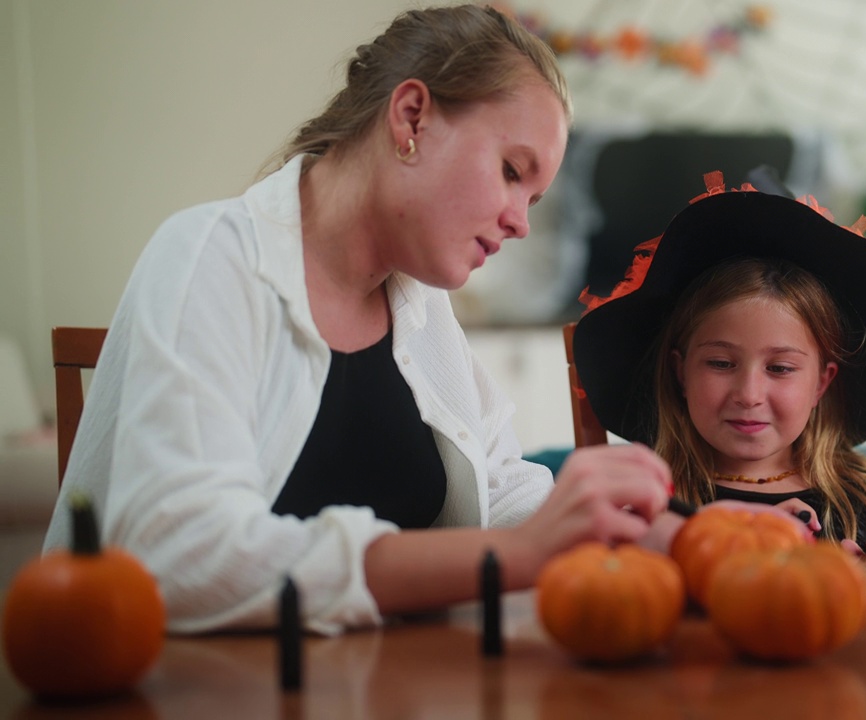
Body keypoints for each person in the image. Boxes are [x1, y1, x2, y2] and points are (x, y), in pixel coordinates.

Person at [43, 5, 673, 635]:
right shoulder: (207, 257)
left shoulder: (421, 309)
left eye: (531, 198)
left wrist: (671, 530)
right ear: (412, 118)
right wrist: (512, 556)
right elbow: (183, 553)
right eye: (511, 172)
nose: (520, 222)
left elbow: (500, 489)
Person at [572, 172, 866, 563]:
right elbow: (619, 589)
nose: (749, 395)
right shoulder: (649, 496)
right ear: (681, 372)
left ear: (821, 382)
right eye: (720, 363)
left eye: (780, 368)